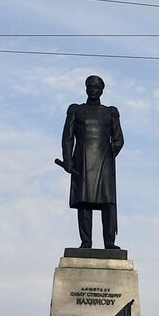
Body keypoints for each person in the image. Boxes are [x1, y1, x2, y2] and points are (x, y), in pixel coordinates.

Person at [59, 75, 124, 250]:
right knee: (84, 202)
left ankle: (109, 242)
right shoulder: (76, 110)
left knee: (107, 204)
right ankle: (86, 242)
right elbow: (67, 137)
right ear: (86, 89)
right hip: (83, 162)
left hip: (104, 163)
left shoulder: (110, 112)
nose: (93, 90)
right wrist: (68, 160)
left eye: (96, 88)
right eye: (90, 87)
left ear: (102, 91)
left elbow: (118, 139)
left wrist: (109, 155)